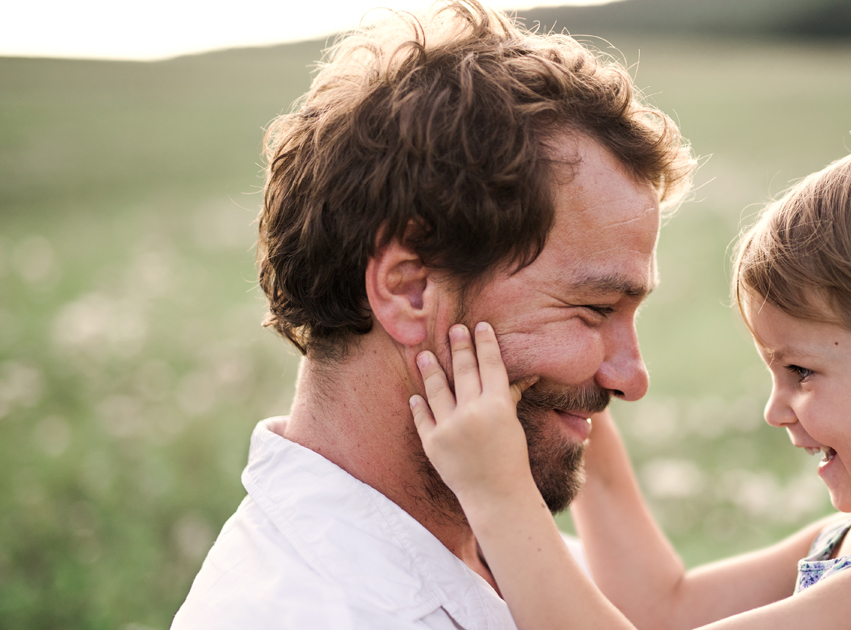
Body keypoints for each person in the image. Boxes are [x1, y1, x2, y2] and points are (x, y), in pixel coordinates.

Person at [410, 127, 851, 630]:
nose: (776, 411)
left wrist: (499, 493)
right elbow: (663, 610)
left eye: (802, 371)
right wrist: (577, 413)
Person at [171, 1, 693, 627]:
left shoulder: (516, 561)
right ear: (409, 291)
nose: (631, 377)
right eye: (593, 309)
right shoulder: (305, 612)